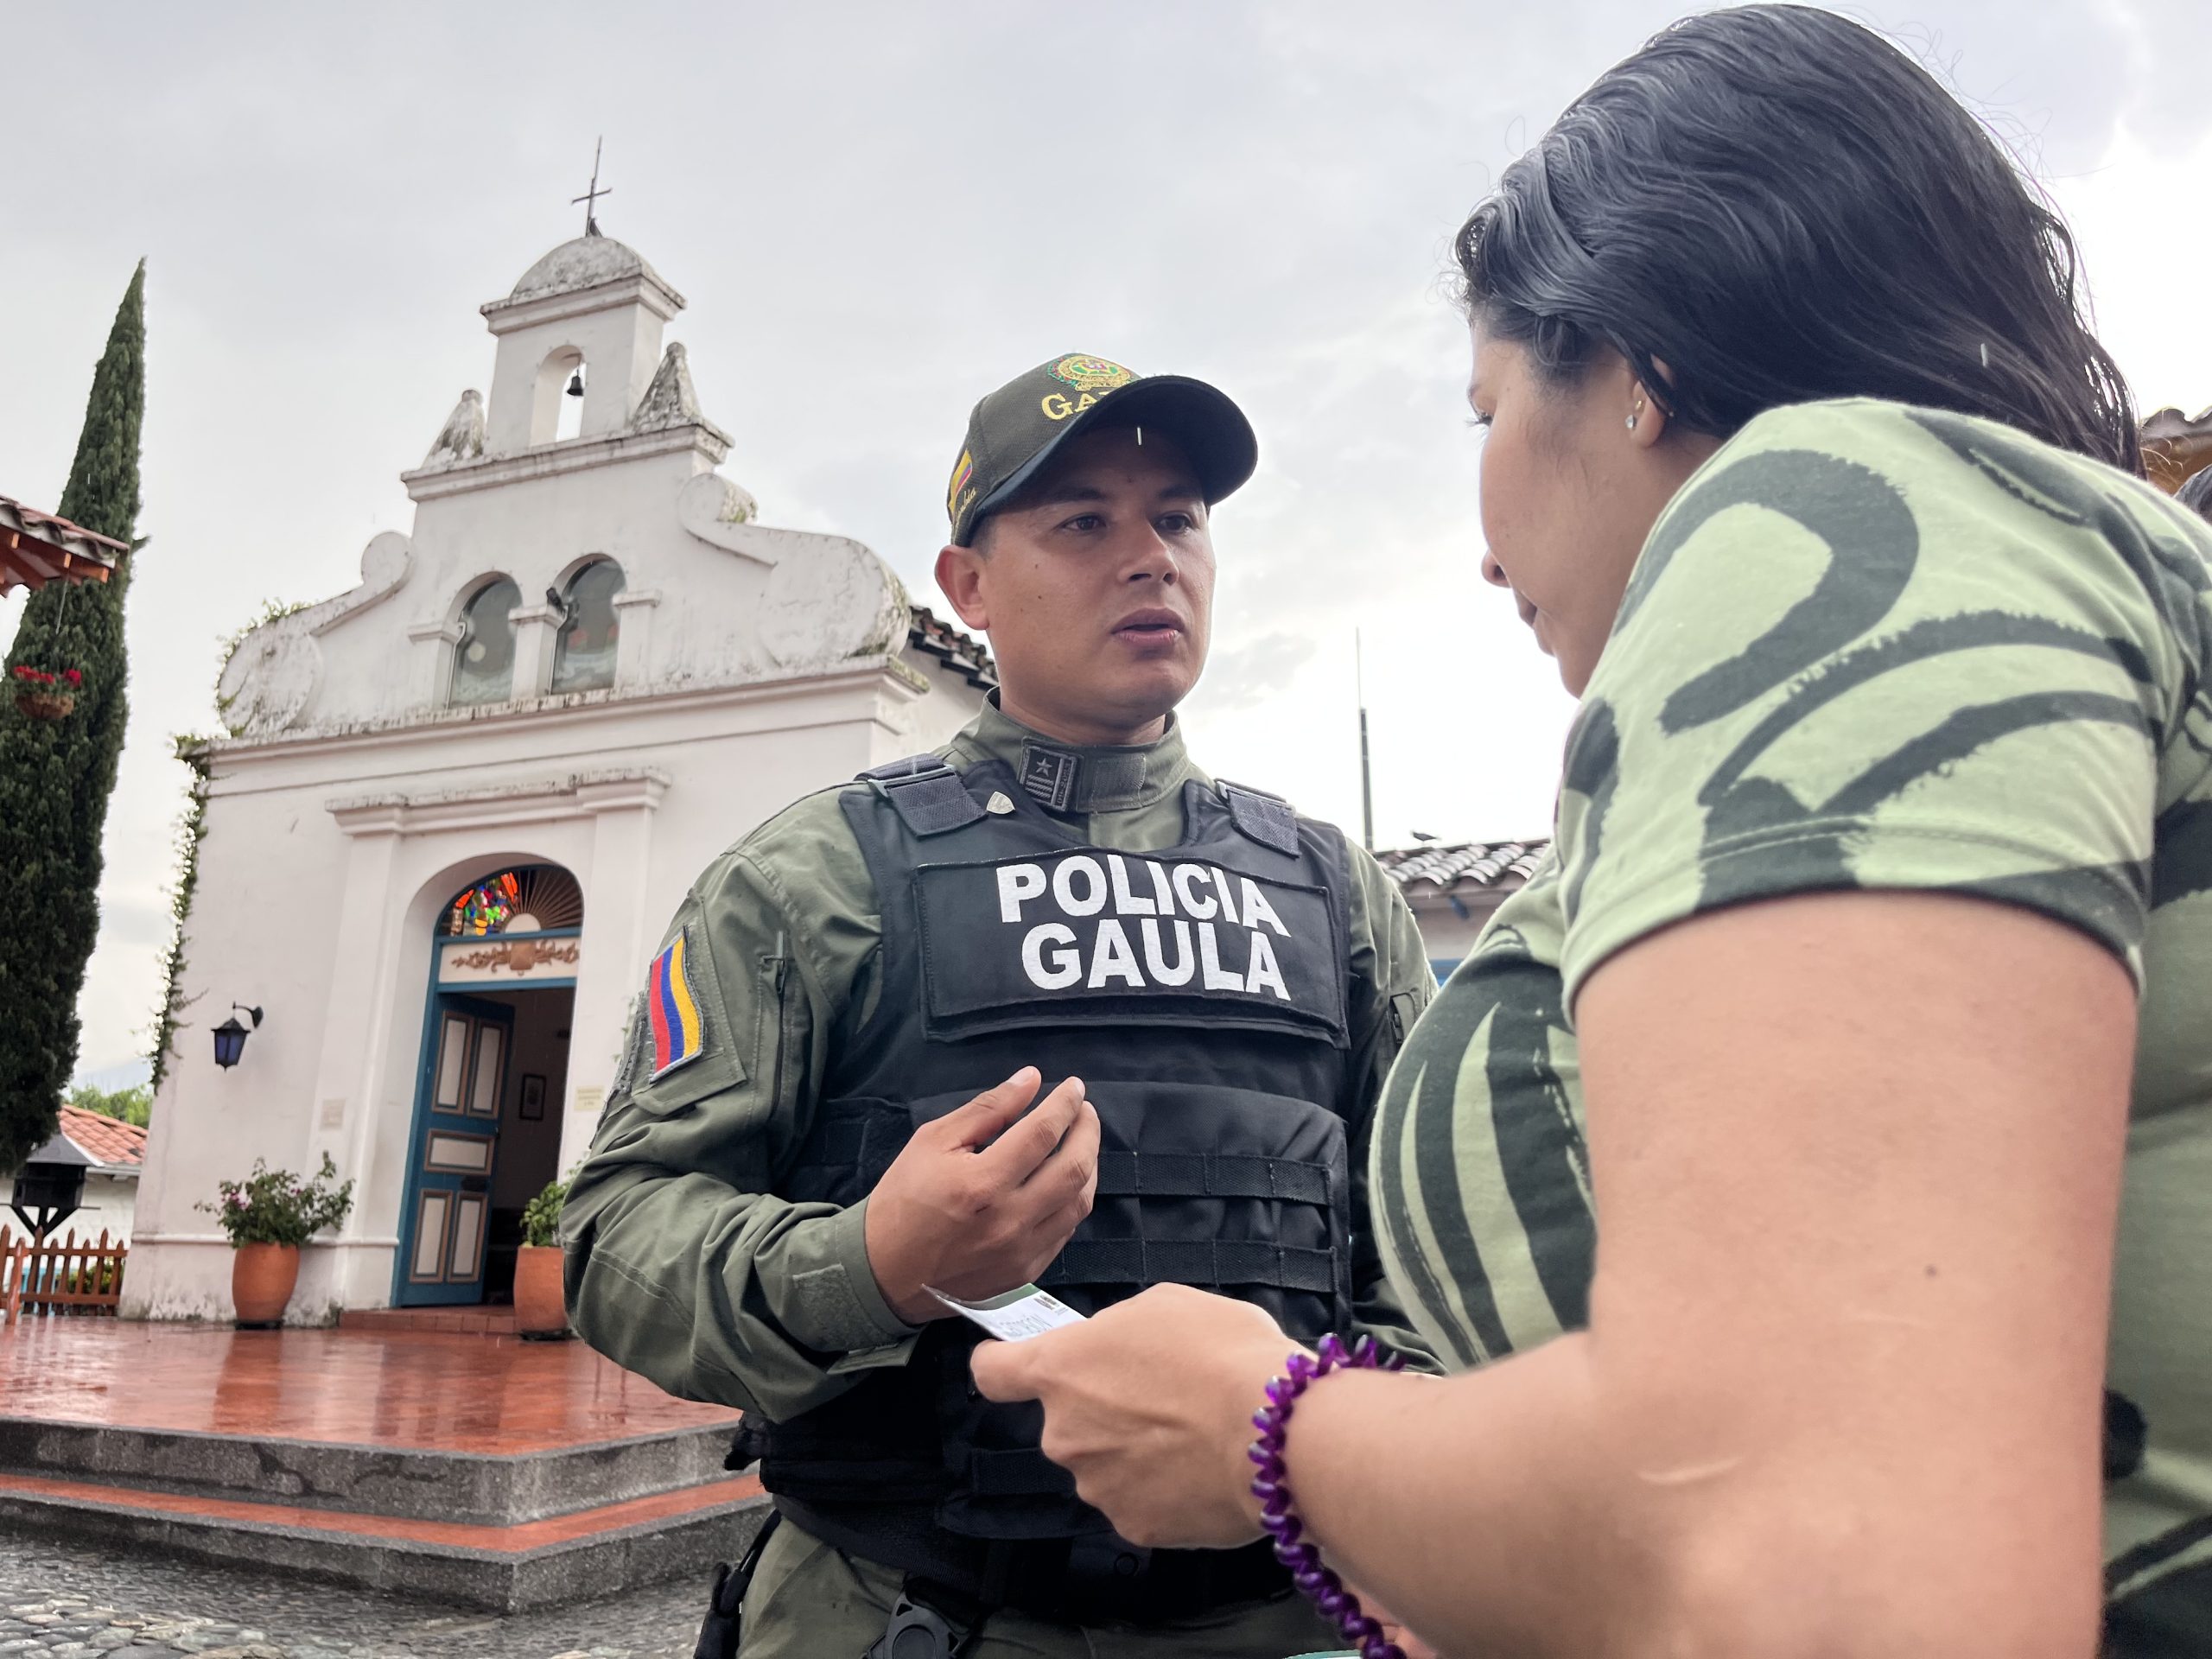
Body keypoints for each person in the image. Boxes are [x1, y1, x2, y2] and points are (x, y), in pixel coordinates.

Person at [970, 10, 2212, 1657]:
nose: (1485, 552)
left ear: (1632, 373)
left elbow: (1811, 1556)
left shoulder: (1835, 523)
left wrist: (1274, 1439)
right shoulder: (2031, 564)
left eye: (1482, 408)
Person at [562, 353, 1436, 1658]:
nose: (1149, 558)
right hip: (909, 1614)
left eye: (1179, 518)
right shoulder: (810, 880)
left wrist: (1346, 1435)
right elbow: (615, 1240)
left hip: (1286, 1617)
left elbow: (1445, 1256)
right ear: (965, 583)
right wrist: (874, 1269)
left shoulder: (1336, 896)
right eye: (1083, 520)